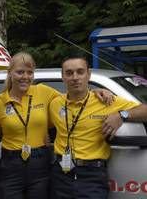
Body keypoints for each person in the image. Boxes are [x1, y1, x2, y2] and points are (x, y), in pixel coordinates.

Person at [0, 52, 113, 199]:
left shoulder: (43, 91)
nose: (25, 77)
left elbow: (74, 98)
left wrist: (95, 91)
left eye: (29, 72)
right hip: (10, 166)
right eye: (20, 72)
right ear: (10, 73)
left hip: (40, 164)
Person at [49, 55, 147, 199]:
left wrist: (122, 115)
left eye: (80, 72)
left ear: (88, 74)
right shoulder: (54, 103)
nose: (75, 77)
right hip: (60, 174)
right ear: (62, 76)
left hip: (91, 176)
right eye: (69, 73)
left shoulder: (107, 102)